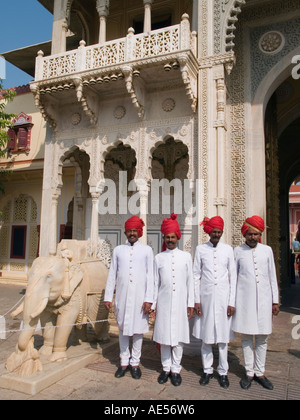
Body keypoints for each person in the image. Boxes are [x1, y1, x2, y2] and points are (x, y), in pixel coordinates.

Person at [232, 215, 280, 391]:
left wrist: (275, 301)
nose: (252, 237)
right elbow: (234, 278)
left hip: (265, 301)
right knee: (246, 338)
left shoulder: (267, 250)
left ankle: (260, 372)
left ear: (260, 234)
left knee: (262, 338)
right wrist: (232, 302)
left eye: (256, 234)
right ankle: (249, 373)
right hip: (244, 301)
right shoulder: (237, 251)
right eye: (250, 234)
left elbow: (272, 277)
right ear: (245, 234)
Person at [104, 216, 154, 380]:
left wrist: (149, 299)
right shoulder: (118, 250)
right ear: (125, 232)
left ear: (139, 232)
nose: (132, 233)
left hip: (140, 299)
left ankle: (135, 363)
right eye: (129, 231)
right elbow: (112, 274)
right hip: (122, 297)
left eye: (134, 230)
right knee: (123, 330)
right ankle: (123, 362)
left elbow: (150, 277)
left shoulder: (146, 250)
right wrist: (108, 297)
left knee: (138, 332)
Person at [193, 216, 237, 389]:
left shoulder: (228, 250)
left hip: (223, 300)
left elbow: (233, 277)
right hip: (205, 299)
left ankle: (223, 372)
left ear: (222, 232)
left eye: (219, 232)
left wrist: (231, 302)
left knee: (223, 339)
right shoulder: (200, 249)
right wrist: (196, 300)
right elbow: (196, 275)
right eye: (214, 231)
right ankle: (207, 370)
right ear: (208, 232)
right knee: (206, 337)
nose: (216, 234)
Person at [152, 213, 194, 387]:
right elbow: (155, 283)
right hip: (164, 303)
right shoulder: (158, 258)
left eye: (172, 237)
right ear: (164, 238)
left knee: (178, 338)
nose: (170, 240)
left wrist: (190, 303)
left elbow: (190, 282)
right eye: (167, 237)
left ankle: (176, 370)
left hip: (181, 304)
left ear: (178, 237)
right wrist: (153, 305)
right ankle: (166, 368)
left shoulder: (186, 257)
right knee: (164, 337)